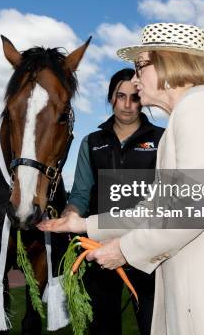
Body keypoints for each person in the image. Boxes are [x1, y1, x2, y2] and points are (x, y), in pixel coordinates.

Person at [39, 23, 204, 335]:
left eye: (139, 66)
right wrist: (84, 225)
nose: (136, 79)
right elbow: (156, 211)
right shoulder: (186, 117)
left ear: (168, 64)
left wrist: (123, 250)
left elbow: (191, 209)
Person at [64, 68, 164, 334]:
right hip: (100, 250)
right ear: (111, 98)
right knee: (102, 327)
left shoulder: (163, 140)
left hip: (147, 249)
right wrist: (71, 215)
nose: (128, 105)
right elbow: (81, 194)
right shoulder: (91, 142)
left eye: (134, 97)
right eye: (121, 96)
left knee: (153, 326)